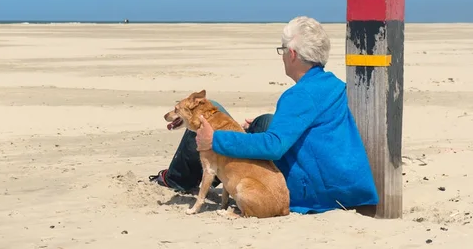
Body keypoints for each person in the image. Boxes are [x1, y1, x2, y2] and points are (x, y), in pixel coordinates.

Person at [149, 16, 379, 214]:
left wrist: (215, 140)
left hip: (316, 191)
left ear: (291, 54)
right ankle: (215, 171)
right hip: (340, 181)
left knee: (207, 121)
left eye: (282, 51)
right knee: (262, 123)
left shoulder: (300, 95)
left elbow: (274, 147)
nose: (282, 57)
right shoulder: (332, 84)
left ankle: (176, 178)